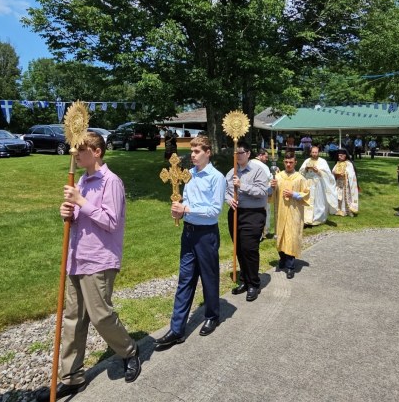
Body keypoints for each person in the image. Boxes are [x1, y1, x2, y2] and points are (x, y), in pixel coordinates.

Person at [49, 131, 140, 400]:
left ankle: (129, 350)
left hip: (100, 258)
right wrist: (69, 212)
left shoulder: (111, 182)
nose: (75, 154)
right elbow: (80, 217)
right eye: (74, 149)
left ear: (97, 151)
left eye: (81, 149)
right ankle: (72, 376)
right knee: (73, 320)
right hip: (77, 257)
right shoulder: (83, 181)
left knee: (100, 315)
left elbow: (111, 221)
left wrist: (80, 202)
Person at [155, 136, 225, 350]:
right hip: (188, 232)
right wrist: (179, 207)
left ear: (207, 152)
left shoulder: (216, 177)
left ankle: (212, 315)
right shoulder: (189, 175)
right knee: (185, 279)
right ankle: (177, 329)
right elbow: (188, 201)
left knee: (209, 277)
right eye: (192, 151)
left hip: (206, 234)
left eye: (196, 151)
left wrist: (187, 209)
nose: (192, 155)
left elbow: (215, 210)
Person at [225, 141, 270, 302]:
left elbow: (262, 192)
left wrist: (242, 185)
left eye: (241, 153)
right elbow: (225, 191)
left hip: (253, 214)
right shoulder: (231, 172)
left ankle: (254, 284)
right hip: (236, 213)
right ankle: (244, 279)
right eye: (235, 153)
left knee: (249, 248)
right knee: (239, 248)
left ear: (248, 154)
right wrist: (229, 200)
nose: (238, 156)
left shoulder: (258, 171)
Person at [269, 151, 310, 279]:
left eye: (291, 162)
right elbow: (271, 194)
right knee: (281, 236)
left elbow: (307, 194)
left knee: (291, 237)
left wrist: (294, 194)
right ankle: (282, 259)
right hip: (281, 210)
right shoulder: (278, 177)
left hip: (294, 211)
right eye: (286, 162)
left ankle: (290, 266)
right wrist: (272, 187)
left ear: (295, 162)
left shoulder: (300, 178)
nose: (288, 164)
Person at [299, 145, 338, 225]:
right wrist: (306, 169)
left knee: (318, 202)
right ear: (310, 152)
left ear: (318, 153)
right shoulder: (307, 161)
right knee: (307, 201)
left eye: (316, 152)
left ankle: (318, 219)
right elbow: (300, 172)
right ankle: (307, 219)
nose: (314, 154)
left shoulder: (322, 161)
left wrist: (318, 171)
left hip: (318, 185)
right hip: (308, 184)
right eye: (313, 152)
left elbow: (328, 175)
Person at [254, 148, 275, 238]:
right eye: (266, 157)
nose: (267, 159)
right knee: (263, 213)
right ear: (260, 155)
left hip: (250, 194)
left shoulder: (249, 163)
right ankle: (263, 233)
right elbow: (270, 179)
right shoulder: (263, 166)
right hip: (262, 194)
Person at [332, 148, 359, 216]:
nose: (339, 157)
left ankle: (346, 210)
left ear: (345, 155)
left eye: (341, 155)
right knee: (338, 196)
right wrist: (335, 173)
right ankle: (338, 209)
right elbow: (333, 171)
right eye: (338, 155)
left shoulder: (348, 163)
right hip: (338, 183)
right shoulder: (337, 163)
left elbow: (351, 174)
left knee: (345, 196)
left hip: (346, 183)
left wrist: (345, 174)